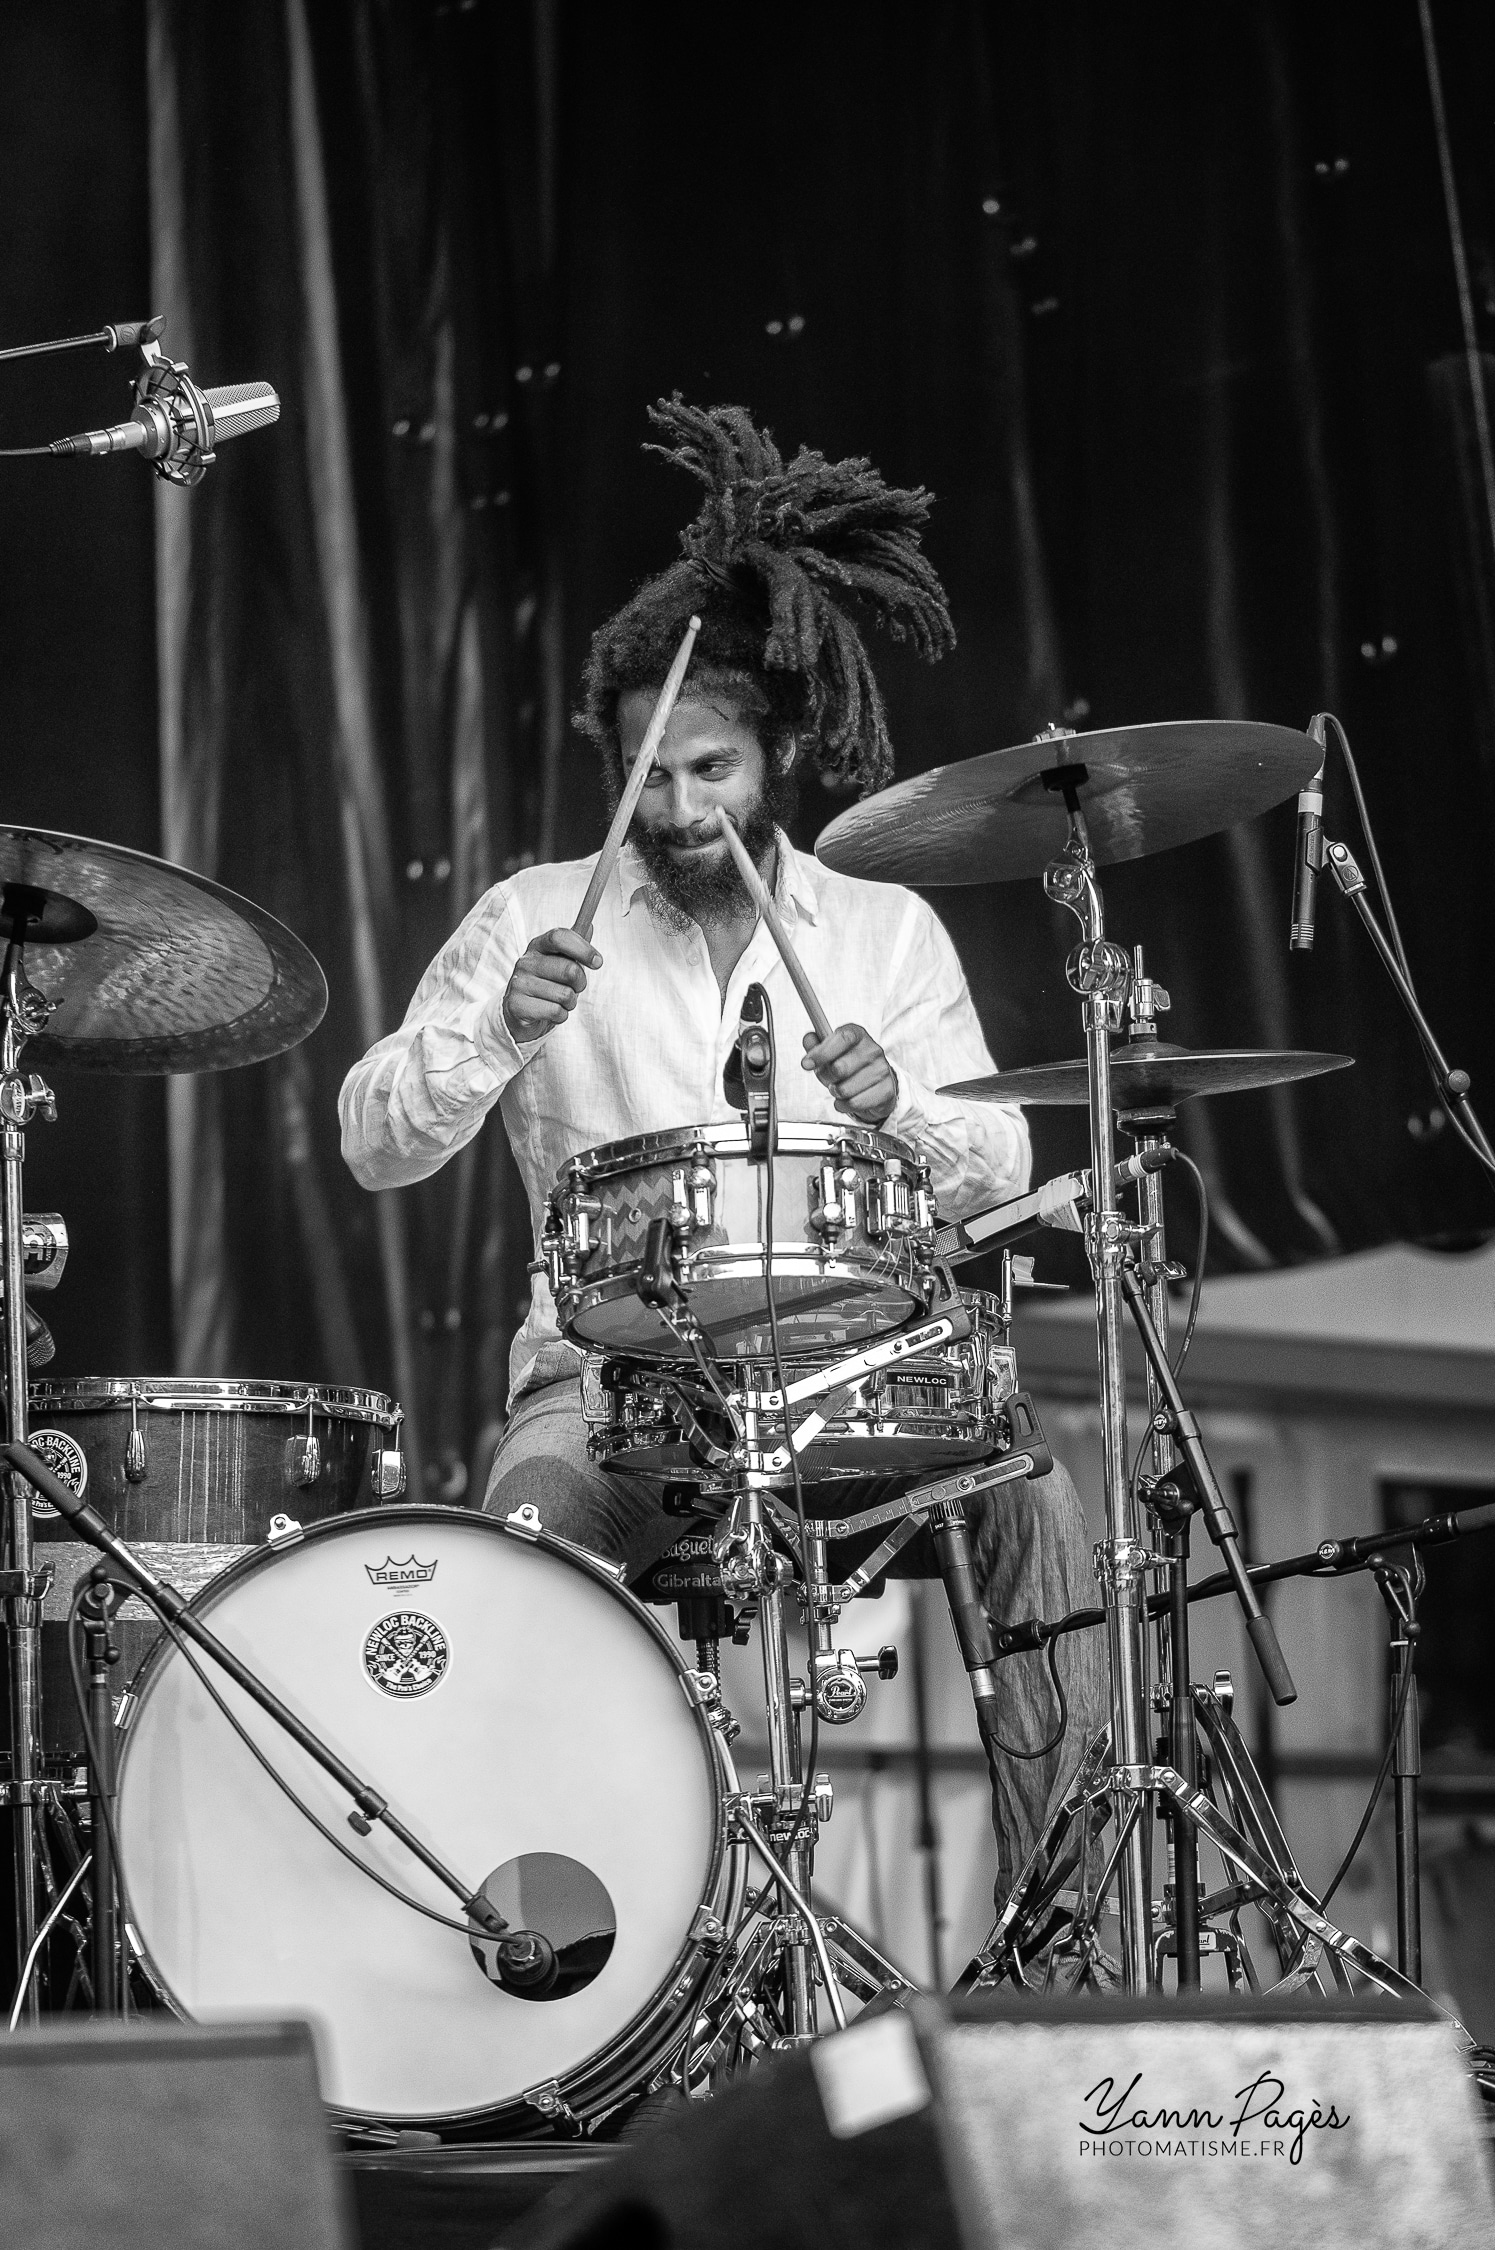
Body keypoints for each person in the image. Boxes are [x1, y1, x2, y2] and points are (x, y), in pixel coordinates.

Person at [340, 398, 1105, 1903]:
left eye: (713, 772)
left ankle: (1064, 1932)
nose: (681, 811)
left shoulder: (882, 929)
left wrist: (902, 1107)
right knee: (525, 1539)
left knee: (1035, 1492)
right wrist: (493, 1028)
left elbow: (1006, 1157)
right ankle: (553, 1948)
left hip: (853, 1376)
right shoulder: (532, 917)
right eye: (654, 775)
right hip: (612, 1388)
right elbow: (375, 1139)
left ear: (782, 755)